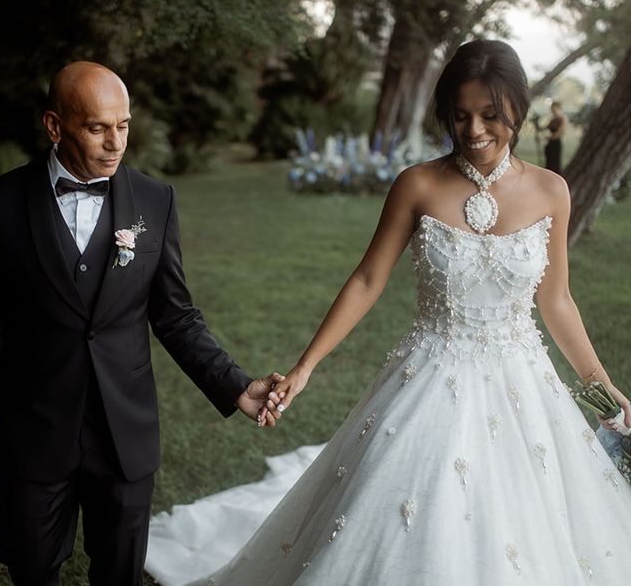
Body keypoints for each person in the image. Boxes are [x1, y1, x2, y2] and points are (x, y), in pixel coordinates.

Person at [167, 40, 631, 585]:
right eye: (461, 116)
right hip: (430, 374)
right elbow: (367, 279)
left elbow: (556, 301)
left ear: (518, 111)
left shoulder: (552, 190)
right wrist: (306, 367)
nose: (475, 130)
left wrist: (605, 395)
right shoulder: (418, 183)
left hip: (522, 383)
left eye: (491, 115)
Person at [0, 61, 285, 586]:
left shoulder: (155, 201)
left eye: (123, 126)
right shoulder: (0, 204)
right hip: (36, 432)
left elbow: (175, 315)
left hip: (125, 435)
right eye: (97, 128)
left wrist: (237, 386)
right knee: (31, 569)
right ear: (55, 126)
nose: (115, 143)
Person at [544, 100, 568, 174]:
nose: (552, 111)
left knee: (555, 164)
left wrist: (549, 137)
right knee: (549, 163)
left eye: (554, 109)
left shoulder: (563, 119)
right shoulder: (553, 119)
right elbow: (545, 128)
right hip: (550, 143)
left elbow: (559, 132)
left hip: (556, 143)